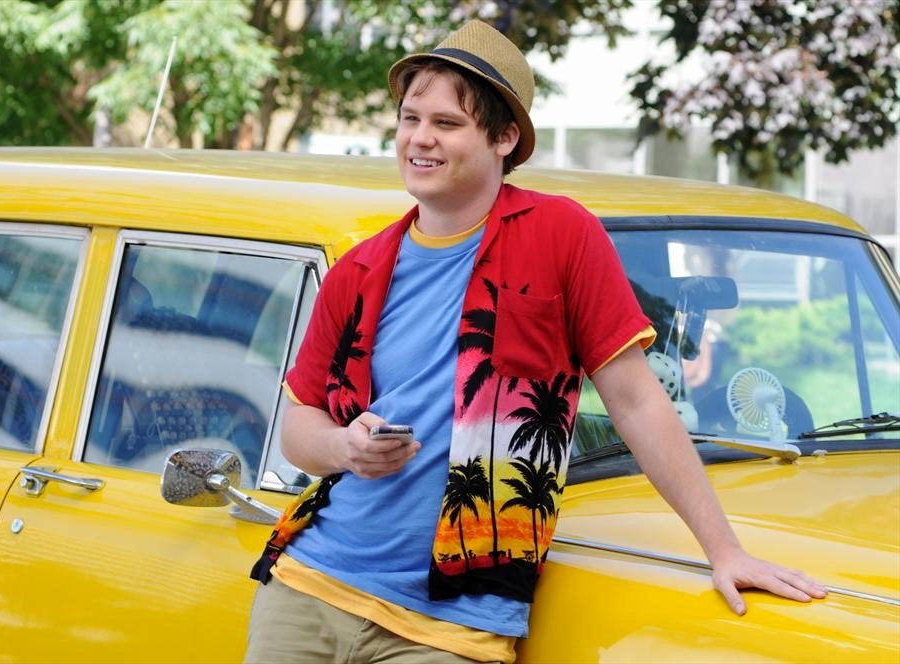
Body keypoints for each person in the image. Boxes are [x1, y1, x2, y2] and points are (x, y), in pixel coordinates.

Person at [245, 20, 826, 663]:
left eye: (446, 123)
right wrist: (345, 448)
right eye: (410, 119)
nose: (420, 138)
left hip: (453, 622)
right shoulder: (360, 267)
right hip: (310, 584)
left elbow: (637, 401)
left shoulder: (561, 235)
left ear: (504, 138)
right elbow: (299, 426)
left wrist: (725, 550)